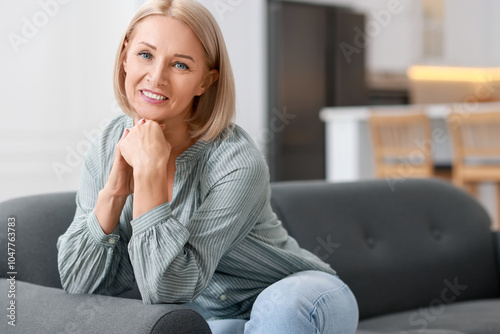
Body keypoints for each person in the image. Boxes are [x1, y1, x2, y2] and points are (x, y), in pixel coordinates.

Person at [56, 0, 359, 333]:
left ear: (206, 81)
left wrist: (151, 174)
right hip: (215, 315)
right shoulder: (107, 144)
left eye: (181, 65)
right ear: (125, 56)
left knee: (279, 310)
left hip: (298, 295)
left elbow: (166, 289)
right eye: (145, 55)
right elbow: (77, 283)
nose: (156, 77)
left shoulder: (236, 159)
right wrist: (114, 192)